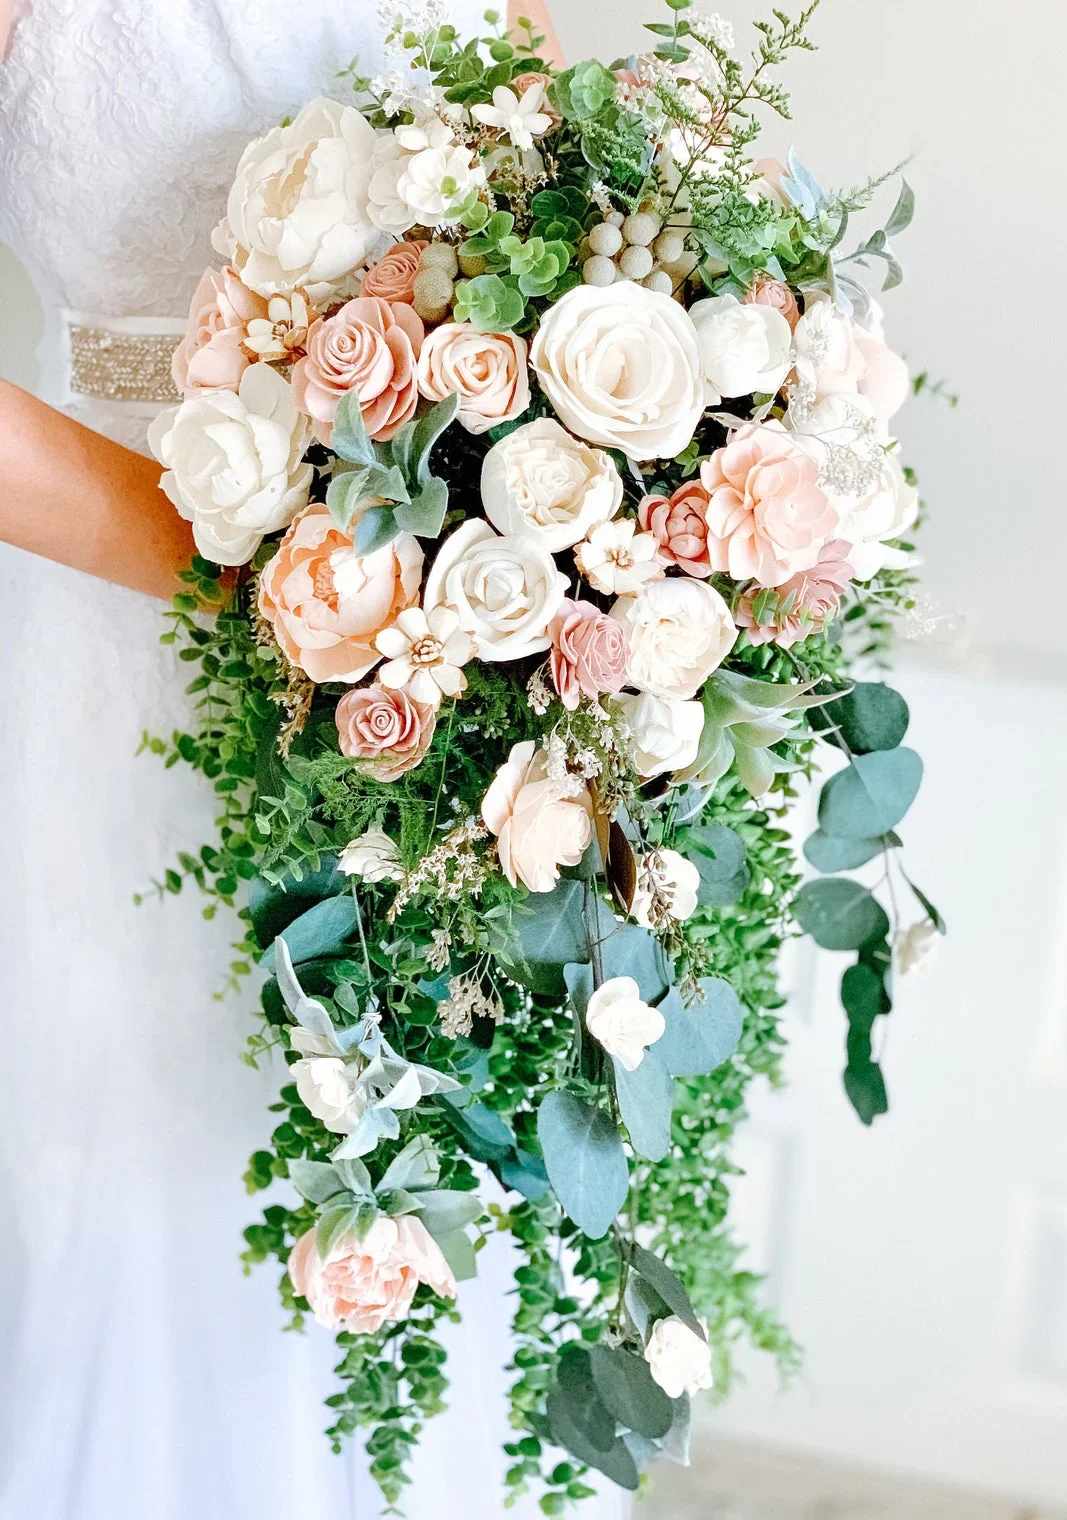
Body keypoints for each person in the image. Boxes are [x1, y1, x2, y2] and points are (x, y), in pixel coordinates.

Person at [0, 6, 622, 1520]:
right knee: (172, 1200)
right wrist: (281, 584)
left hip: (468, 665)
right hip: (147, 653)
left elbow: (547, 178)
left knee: (451, 1154)